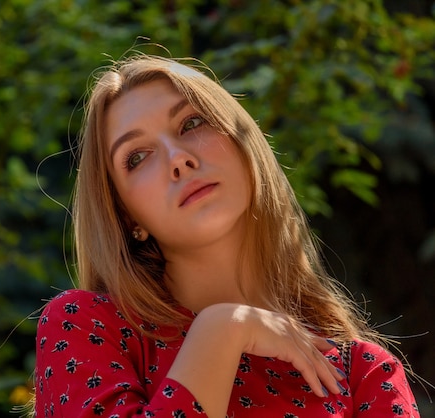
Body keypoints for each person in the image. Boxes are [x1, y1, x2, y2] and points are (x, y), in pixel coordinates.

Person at [32, 54, 419, 417]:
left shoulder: (362, 374)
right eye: (137, 157)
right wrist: (224, 329)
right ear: (126, 215)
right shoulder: (85, 325)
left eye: (191, 123)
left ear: (244, 144)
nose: (178, 159)